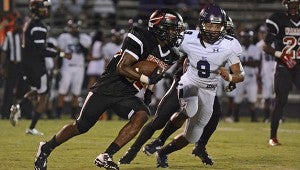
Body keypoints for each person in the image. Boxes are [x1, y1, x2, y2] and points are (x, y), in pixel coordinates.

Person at [34, 8, 184, 170]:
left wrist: (148, 90)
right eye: (172, 29)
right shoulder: (141, 37)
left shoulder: (172, 54)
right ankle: (46, 148)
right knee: (81, 126)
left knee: (142, 115)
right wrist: (146, 79)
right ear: (159, 27)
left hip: (127, 93)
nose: (175, 33)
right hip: (108, 86)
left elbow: (155, 73)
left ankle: (106, 155)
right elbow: (122, 67)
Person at [118, 14, 238, 166]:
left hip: (207, 89)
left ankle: (196, 147)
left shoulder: (225, 46)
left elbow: (230, 66)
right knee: (159, 120)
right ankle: (133, 151)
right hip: (184, 84)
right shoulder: (194, 39)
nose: (221, 32)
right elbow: (174, 59)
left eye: (221, 28)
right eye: (216, 27)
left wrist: (231, 79)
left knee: (210, 120)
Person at [154, 4, 244, 168]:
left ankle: (168, 151)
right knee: (188, 109)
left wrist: (230, 77)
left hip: (209, 89)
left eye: (218, 26)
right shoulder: (190, 38)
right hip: (188, 80)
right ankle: (158, 140)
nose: (213, 30)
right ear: (202, 24)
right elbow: (169, 52)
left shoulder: (229, 44)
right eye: (209, 25)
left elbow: (238, 73)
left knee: (194, 134)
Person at [9, 0, 71, 134]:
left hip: (27, 64)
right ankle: (31, 128)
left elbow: (38, 46)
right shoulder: (39, 26)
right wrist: (61, 54)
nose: (45, 11)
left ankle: (17, 106)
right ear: (37, 10)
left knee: (36, 90)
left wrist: (51, 48)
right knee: (43, 96)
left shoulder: (29, 23)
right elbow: (40, 50)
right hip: (37, 65)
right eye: (43, 9)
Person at [263, 0, 300, 146]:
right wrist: (282, 55)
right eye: (291, 3)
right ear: (286, 4)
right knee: (280, 101)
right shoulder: (278, 19)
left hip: (299, 65)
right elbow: (266, 46)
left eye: (296, 3)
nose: (293, 7)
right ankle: (273, 137)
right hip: (283, 66)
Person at [56, 19, 91, 119]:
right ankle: (58, 115)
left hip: (79, 67)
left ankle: (73, 116)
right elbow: (59, 52)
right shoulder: (64, 37)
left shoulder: (84, 38)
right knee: (62, 91)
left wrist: (80, 41)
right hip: (67, 67)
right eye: (73, 27)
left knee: (76, 92)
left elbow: (88, 53)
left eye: (76, 27)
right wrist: (63, 55)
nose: (74, 29)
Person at [0, 18, 29, 121]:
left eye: (20, 25)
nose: (19, 27)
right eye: (17, 24)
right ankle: (4, 113)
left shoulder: (25, 36)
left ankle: (24, 112)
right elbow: (4, 51)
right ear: (15, 25)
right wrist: (2, 66)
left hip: (23, 66)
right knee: (9, 89)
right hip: (13, 65)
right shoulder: (9, 35)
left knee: (24, 89)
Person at [232, 28, 261, 122]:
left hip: (251, 77)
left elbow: (256, 63)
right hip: (240, 77)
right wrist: (247, 63)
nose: (246, 39)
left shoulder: (255, 48)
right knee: (237, 99)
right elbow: (234, 63)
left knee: (252, 99)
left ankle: (254, 118)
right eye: (245, 37)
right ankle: (235, 118)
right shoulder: (238, 48)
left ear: (251, 38)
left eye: (248, 37)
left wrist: (243, 63)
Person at [255, 25, 275, 123]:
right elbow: (258, 61)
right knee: (267, 96)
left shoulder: (276, 43)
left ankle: (278, 117)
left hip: (276, 71)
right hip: (266, 73)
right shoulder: (259, 45)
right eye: (264, 33)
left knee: (278, 96)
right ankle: (267, 117)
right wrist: (258, 74)